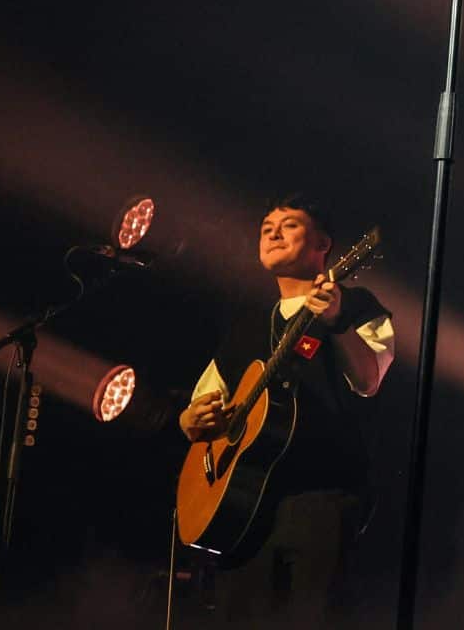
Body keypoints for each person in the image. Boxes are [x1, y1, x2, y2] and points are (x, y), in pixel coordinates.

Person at [178, 195, 394, 623]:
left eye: (290, 225)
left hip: (322, 501)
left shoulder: (355, 305)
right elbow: (199, 408)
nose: (273, 232)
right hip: (245, 512)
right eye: (265, 227)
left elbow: (369, 380)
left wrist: (335, 322)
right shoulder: (246, 329)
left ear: (324, 245)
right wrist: (189, 421)